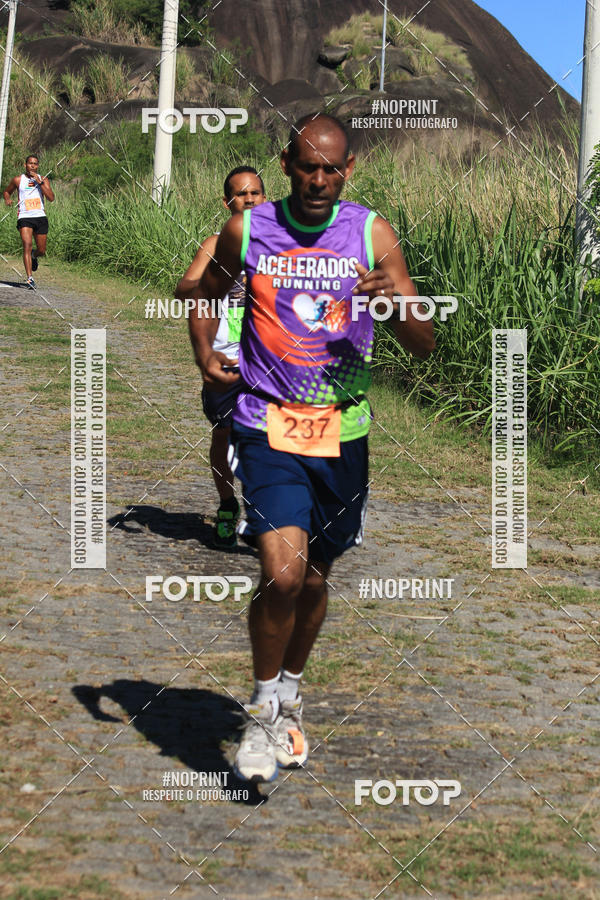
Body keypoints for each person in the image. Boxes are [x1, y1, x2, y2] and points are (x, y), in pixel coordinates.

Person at [189, 113, 435, 782]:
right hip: (265, 421)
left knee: (318, 578)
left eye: (332, 168)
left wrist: (396, 306)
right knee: (283, 574)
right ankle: (264, 712)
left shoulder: (370, 232)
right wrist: (207, 353)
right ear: (288, 165)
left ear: (348, 169)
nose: (319, 179)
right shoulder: (250, 228)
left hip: (343, 430)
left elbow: (425, 342)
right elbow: (204, 295)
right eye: (307, 166)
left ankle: (291, 690)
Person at [176, 166, 266, 548]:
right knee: (225, 434)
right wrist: (218, 277)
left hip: (269, 358)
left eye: (256, 193)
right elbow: (184, 290)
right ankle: (228, 504)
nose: (249, 199)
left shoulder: (280, 244)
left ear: (265, 197)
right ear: (227, 201)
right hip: (224, 356)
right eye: (240, 194)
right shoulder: (215, 244)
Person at [3, 154, 55, 289]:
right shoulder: (18, 180)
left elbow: (51, 198)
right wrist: (8, 199)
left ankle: (34, 255)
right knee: (27, 244)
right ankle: (30, 278)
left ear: (38, 166)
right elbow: (7, 192)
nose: (33, 166)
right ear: (25, 165)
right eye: (30, 163)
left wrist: (40, 183)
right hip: (24, 217)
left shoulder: (43, 179)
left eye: (35, 164)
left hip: (40, 217)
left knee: (42, 250)